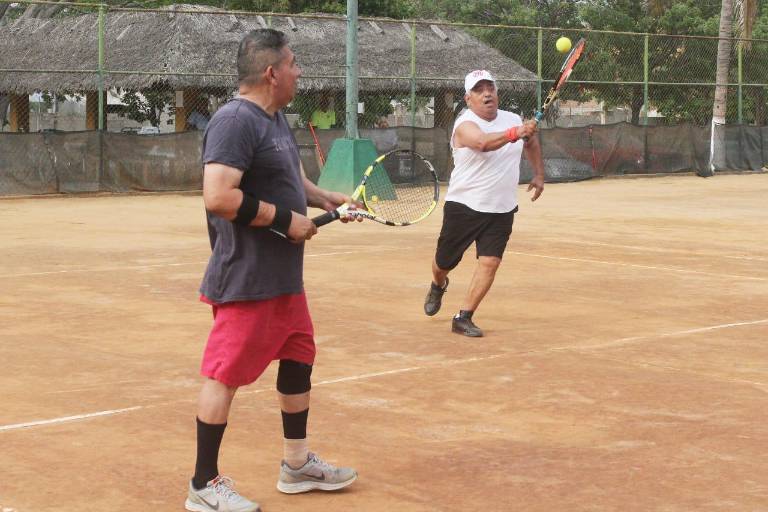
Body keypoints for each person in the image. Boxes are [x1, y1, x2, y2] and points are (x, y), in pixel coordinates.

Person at [185, 29, 361, 512]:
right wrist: (289, 221)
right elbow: (219, 196)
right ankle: (203, 484)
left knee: (299, 358)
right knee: (225, 376)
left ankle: (297, 465)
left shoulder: (274, 118)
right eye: (294, 63)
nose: (299, 71)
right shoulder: (233, 121)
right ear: (272, 73)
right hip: (247, 278)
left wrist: (323, 198)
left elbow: (286, 176)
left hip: (283, 278)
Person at [423, 69, 545, 338]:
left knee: (490, 262)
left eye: (490, 87)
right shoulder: (464, 124)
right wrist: (517, 131)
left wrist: (538, 173)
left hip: (501, 208)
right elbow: (482, 143)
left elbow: (531, 143)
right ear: (468, 98)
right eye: (479, 90)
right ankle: (437, 283)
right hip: (464, 206)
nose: (487, 93)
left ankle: (463, 316)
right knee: (444, 262)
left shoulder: (511, 118)